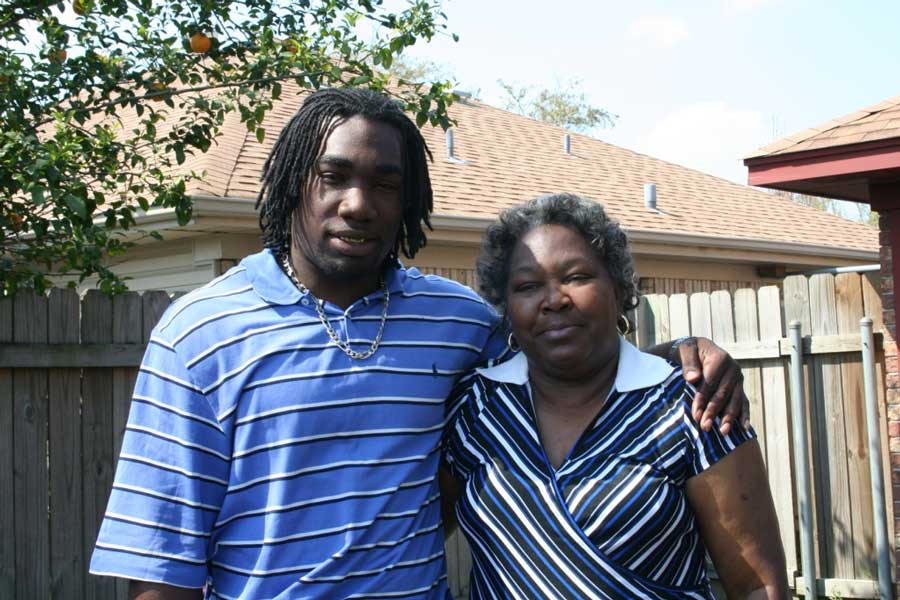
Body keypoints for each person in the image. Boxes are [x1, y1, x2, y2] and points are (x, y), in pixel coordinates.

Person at [89, 88, 749, 599]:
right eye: (335, 176)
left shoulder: (462, 325)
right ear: (296, 184)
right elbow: (159, 559)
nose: (358, 203)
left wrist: (676, 355)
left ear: (407, 203)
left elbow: (569, 366)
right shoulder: (200, 332)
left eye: (385, 184)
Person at [441, 193, 788, 600]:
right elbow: (416, 535)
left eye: (576, 277)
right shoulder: (475, 410)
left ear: (620, 290)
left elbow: (758, 586)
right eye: (528, 286)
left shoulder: (691, 408)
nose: (554, 300)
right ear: (507, 308)